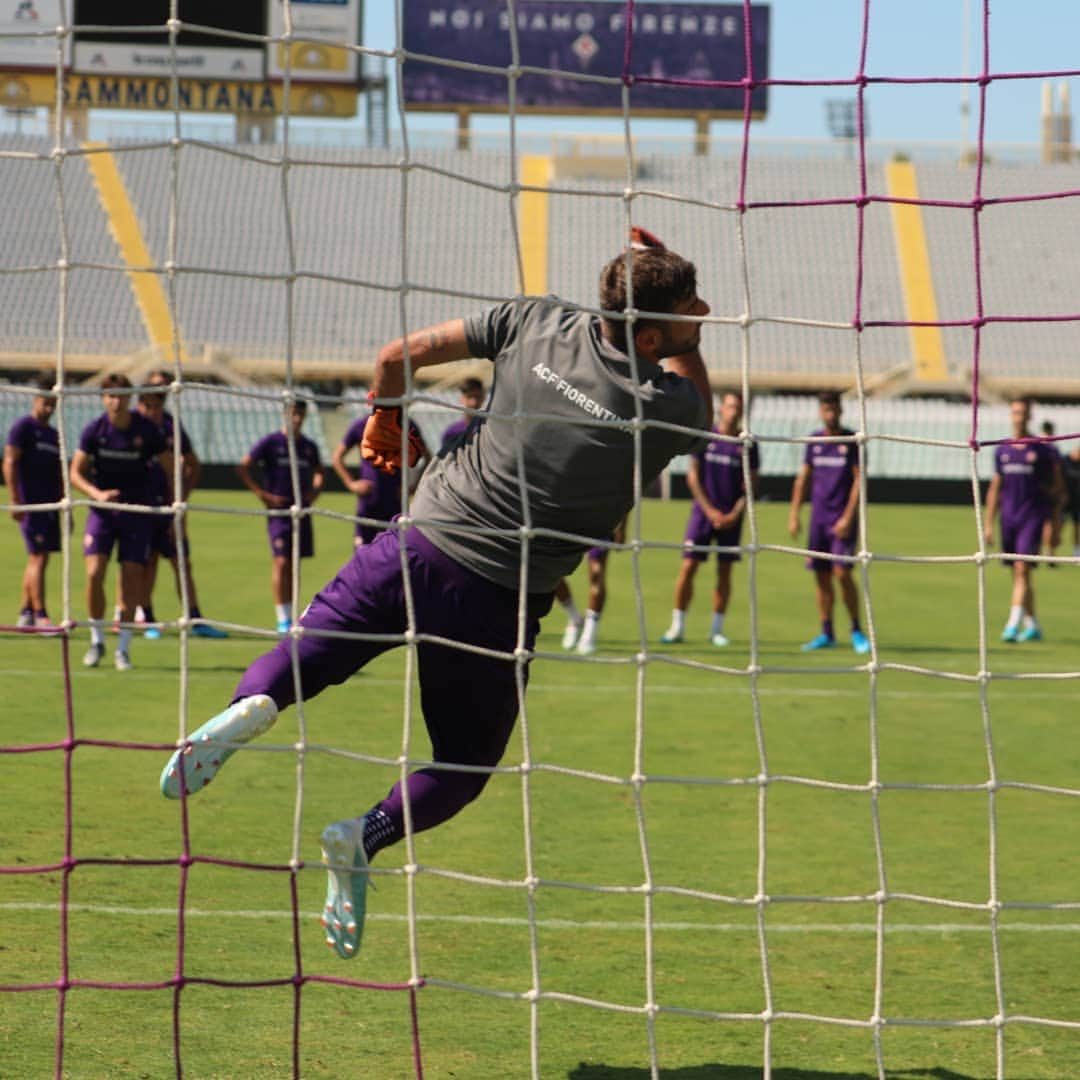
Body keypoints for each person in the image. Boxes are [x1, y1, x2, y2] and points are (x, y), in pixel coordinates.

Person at [159, 227, 712, 962]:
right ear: (652, 341)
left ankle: (247, 707)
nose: (703, 311)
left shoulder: (534, 319)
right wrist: (687, 334)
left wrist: (387, 418)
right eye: (689, 307)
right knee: (463, 766)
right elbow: (699, 390)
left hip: (417, 544)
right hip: (500, 599)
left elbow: (396, 356)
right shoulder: (665, 403)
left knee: (304, 658)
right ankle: (365, 835)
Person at [70, 373, 171, 671]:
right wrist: (96, 494)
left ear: (129, 398)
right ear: (103, 398)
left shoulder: (147, 431)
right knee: (93, 573)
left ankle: (123, 649)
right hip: (102, 513)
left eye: (121, 395)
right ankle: (97, 639)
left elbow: (170, 465)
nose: (116, 401)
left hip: (136, 513)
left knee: (130, 579)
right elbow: (75, 472)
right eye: (110, 395)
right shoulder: (94, 430)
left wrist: (171, 503)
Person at [126, 371, 228, 639]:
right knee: (145, 563)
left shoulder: (171, 426)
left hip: (170, 507)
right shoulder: (132, 428)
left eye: (158, 405)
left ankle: (194, 617)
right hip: (142, 508)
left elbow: (192, 462)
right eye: (149, 405)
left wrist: (182, 497)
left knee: (181, 561)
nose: (154, 411)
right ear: (140, 405)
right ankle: (145, 616)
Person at [661, 390, 759, 647]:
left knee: (724, 572)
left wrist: (735, 514)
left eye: (738, 407)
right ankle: (677, 626)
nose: (733, 411)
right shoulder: (707, 435)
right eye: (729, 406)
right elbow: (693, 477)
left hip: (731, 519)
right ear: (721, 408)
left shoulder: (748, 443)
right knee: (688, 567)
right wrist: (710, 511)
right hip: (703, 515)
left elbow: (751, 485)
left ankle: (717, 630)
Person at [787, 391, 869, 655]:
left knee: (843, 573)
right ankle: (827, 632)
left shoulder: (851, 440)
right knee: (821, 576)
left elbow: (859, 480)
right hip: (818, 520)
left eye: (834, 409)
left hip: (841, 520)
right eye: (826, 409)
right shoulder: (814, 441)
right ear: (821, 412)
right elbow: (804, 478)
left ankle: (857, 629)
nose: (830, 414)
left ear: (840, 411)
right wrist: (794, 513)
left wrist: (848, 516)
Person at [238, 399, 324, 633]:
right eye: (293, 414)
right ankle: (282, 618)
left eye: (300, 415)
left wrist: (314, 493)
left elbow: (319, 472)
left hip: (301, 512)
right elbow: (244, 466)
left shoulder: (308, 446)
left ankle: (292, 613)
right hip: (279, 512)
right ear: (285, 414)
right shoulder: (271, 442)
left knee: (294, 564)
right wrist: (261, 494)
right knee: (281, 561)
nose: (297, 419)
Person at [984, 397, 1064, 642]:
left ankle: (1012, 624)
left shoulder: (1043, 450)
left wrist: (1055, 523)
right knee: (1020, 574)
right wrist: (988, 524)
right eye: (1015, 412)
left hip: (1033, 516)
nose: (1018, 417)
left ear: (1029, 416)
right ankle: (1033, 623)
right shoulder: (1002, 450)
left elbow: (1058, 489)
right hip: (1009, 518)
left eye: (1023, 412)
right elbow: (995, 488)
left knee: (1022, 568)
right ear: (1011, 415)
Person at [3, 372, 62, 628]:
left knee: (40, 558)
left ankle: (26, 611)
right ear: (35, 399)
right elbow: (10, 462)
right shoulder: (23, 428)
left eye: (53, 404)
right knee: (37, 556)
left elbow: (58, 473)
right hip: (30, 504)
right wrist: (15, 499)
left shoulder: (52, 434)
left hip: (49, 506)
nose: (48, 408)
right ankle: (41, 615)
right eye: (45, 402)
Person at [332, 409, 427, 548]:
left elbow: (427, 457)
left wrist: (413, 486)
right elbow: (337, 458)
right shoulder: (361, 425)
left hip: (395, 504)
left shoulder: (408, 425)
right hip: (368, 504)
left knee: (396, 556)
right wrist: (351, 484)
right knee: (362, 555)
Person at [574, 517, 626, 655]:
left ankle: (589, 634)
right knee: (554, 572)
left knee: (596, 574)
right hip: (570, 515)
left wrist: (621, 527)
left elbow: (623, 495)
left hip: (600, 520)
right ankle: (573, 616)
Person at [1038, 420, 1065, 566]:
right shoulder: (1052, 448)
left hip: (1036, 490)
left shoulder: (1036, 443)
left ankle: (1040, 551)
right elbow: (1057, 470)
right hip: (1050, 489)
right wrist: (1059, 489)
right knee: (1051, 521)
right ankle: (1049, 553)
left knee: (1040, 521)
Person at [439, 376, 485, 454]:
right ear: (461, 399)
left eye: (477, 396)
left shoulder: (489, 429)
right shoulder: (452, 432)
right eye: (469, 396)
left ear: (483, 397)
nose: (473, 402)